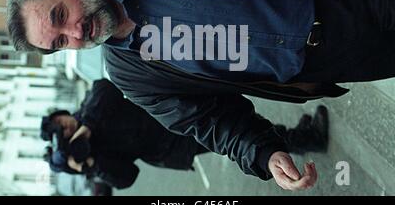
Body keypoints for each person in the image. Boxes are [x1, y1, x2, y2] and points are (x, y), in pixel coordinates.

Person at [6, 0, 395, 191]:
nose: (75, 33)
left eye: (60, 16)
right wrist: (263, 153)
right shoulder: (129, 76)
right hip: (335, 62)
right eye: (60, 42)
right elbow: (208, 120)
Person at [41, 79, 328, 189]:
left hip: (173, 115)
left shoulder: (88, 111)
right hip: (172, 146)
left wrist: (87, 127)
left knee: (237, 125)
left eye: (63, 124)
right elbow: (126, 177)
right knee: (232, 134)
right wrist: (87, 163)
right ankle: (304, 139)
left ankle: (300, 138)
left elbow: (106, 87)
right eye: (64, 133)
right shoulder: (93, 161)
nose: (68, 129)